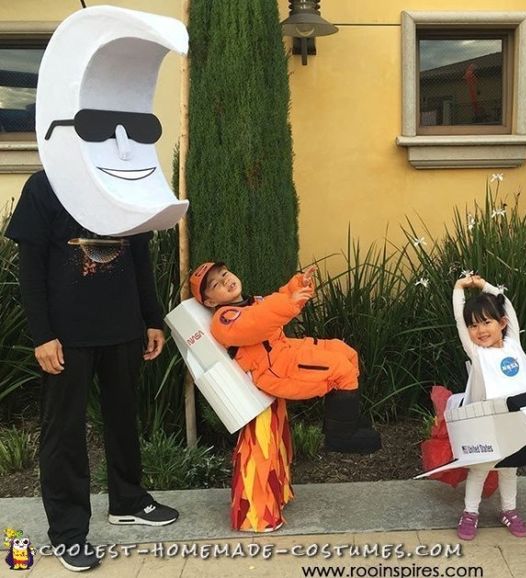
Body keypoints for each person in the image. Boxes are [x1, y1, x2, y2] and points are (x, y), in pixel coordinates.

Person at [5, 171, 179, 572]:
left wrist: (152, 319)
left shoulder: (121, 181)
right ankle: (68, 533)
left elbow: (138, 258)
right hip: (67, 337)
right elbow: (29, 270)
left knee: (122, 419)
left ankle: (128, 501)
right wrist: (42, 335)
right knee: (62, 431)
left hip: (123, 329)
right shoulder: (44, 185)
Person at [189, 261, 381, 454]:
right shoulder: (224, 319)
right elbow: (257, 323)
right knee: (340, 369)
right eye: (215, 285)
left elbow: (278, 299)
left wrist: (299, 285)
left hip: (285, 351)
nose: (225, 281)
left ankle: (345, 419)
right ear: (210, 302)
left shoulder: (251, 302)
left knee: (345, 352)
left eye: (224, 273)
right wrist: (290, 303)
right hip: (275, 370)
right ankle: (341, 436)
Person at [452, 274, 526, 540]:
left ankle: (509, 510)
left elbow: (506, 304)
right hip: (483, 422)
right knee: (480, 468)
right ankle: (470, 512)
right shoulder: (476, 353)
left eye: (487, 322)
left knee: (510, 467)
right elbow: (458, 320)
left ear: (503, 324)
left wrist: (484, 285)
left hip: (511, 421)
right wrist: (459, 289)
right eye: (473, 326)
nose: (480, 330)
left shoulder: (513, 345)